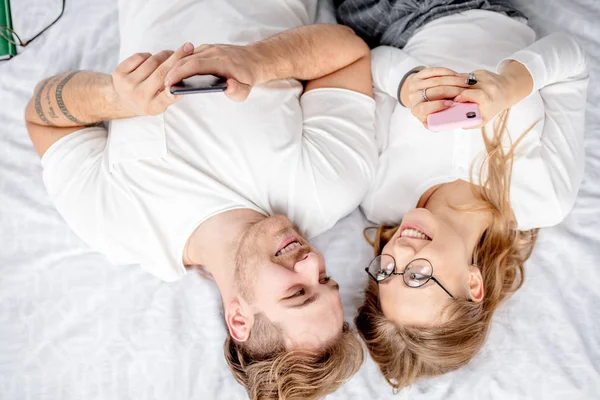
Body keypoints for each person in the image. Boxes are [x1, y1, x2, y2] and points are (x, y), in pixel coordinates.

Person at [25, 1, 377, 399]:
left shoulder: (120, 227)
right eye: (326, 280)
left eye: (297, 293)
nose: (312, 262)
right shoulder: (330, 187)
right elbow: (347, 53)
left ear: (239, 318)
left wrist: (115, 99)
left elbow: (43, 113)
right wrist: (258, 60)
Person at [335, 0, 589, 391]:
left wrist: (407, 85)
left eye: (386, 272)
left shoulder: (380, 196)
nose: (400, 252)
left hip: (398, 17)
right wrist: (509, 84)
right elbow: (570, 60)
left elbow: (373, 65)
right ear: (473, 284)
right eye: (418, 276)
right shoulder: (543, 198)